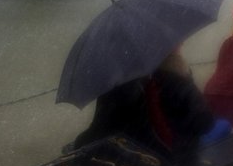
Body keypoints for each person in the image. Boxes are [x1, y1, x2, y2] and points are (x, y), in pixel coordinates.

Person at [72, 48, 222, 158]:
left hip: (130, 145)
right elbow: (205, 123)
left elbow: (104, 121)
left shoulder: (118, 82)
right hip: (168, 149)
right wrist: (188, 80)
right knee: (223, 125)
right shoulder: (178, 82)